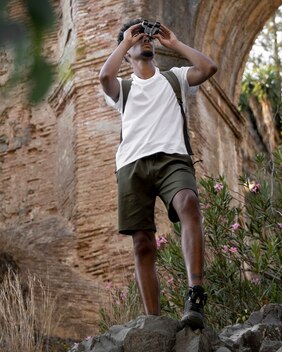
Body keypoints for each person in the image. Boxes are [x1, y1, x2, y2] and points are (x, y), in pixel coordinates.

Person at [98, 18, 217, 329]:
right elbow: (104, 76)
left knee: (188, 202)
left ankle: (195, 295)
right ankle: (153, 321)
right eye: (139, 38)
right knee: (143, 242)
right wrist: (126, 40)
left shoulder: (174, 78)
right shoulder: (123, 88)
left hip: (172, 159)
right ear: (126, 52)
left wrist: (174, 44)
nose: (145, 41)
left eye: (147, 37)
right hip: (132, 165)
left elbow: (209, 68)